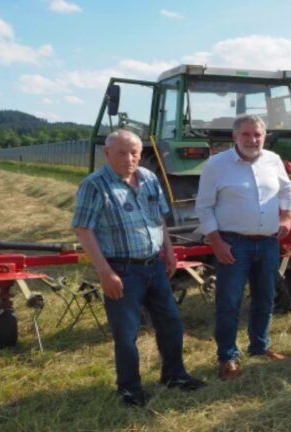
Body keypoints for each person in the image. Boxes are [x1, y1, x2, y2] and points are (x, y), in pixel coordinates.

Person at [73, 129, 205, 407]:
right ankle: (130, 388)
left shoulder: (148, 178)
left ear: (141, 154)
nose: (128, 158)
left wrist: (169, 252)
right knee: (126, 332)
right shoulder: (95, 185)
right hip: (122, 270)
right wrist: (105, 272)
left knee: (170, 322)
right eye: (121, 152)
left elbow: (159, 220)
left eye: (134, 152)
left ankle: (174, 375)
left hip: (154, 267)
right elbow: (84, 230)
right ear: (106, 153)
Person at [195, 114, 291, 380]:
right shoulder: (217, 165)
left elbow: (286, 189)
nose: (252, 140)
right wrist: (216, 242)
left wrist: (286, 216)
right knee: (229, 302)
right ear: (235, 137)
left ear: (264, 136)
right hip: (233, 243)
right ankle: (227, 357)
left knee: (264, 297)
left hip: (268, 241)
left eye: (257, 135)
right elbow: (204, 206)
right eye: (246, 135)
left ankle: (259, 347)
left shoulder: (272, 160)